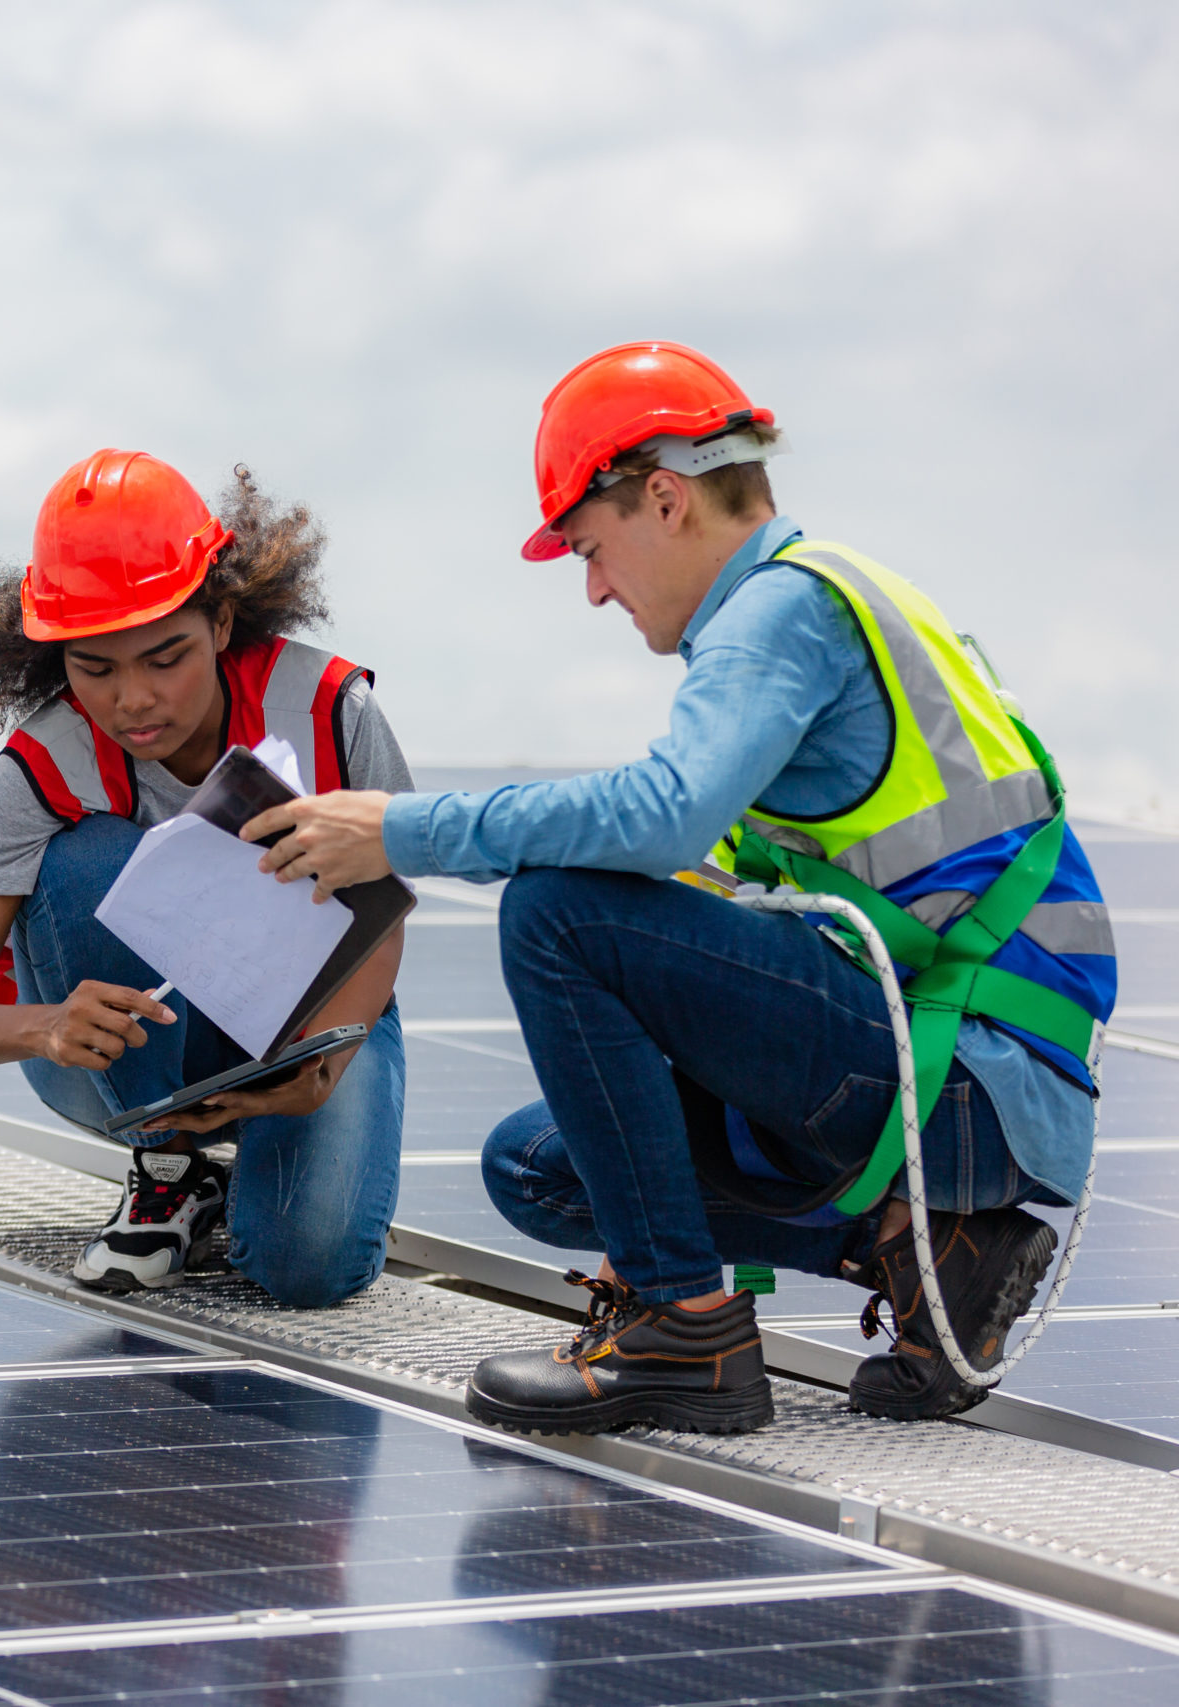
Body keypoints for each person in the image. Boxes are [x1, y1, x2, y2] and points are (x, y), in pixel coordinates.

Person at [240, 343, 1116, 1434]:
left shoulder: (780, 611)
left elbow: (659, 819)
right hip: (967, 1097)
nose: (595, 589)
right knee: (540, 1166)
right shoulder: (826, 606)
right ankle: (931, 1247)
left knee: (558, 913)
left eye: (590, 550)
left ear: (663, 499)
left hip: (968, 1081)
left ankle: (684, 1334)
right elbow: (697, 899)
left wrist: (401, 833)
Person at [0, 448, 412, 1304]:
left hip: (313, 1017)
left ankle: (287, 1179)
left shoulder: (330, 711)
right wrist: (44, 1026)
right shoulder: (41, 766)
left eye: (164, 656)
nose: (132, 698)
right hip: (121, 1053)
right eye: (94, 667)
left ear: (221, 621)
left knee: (306, 1267)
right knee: (88, 858)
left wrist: (323, 1068)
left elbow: (382, 922)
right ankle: (169, 1170)